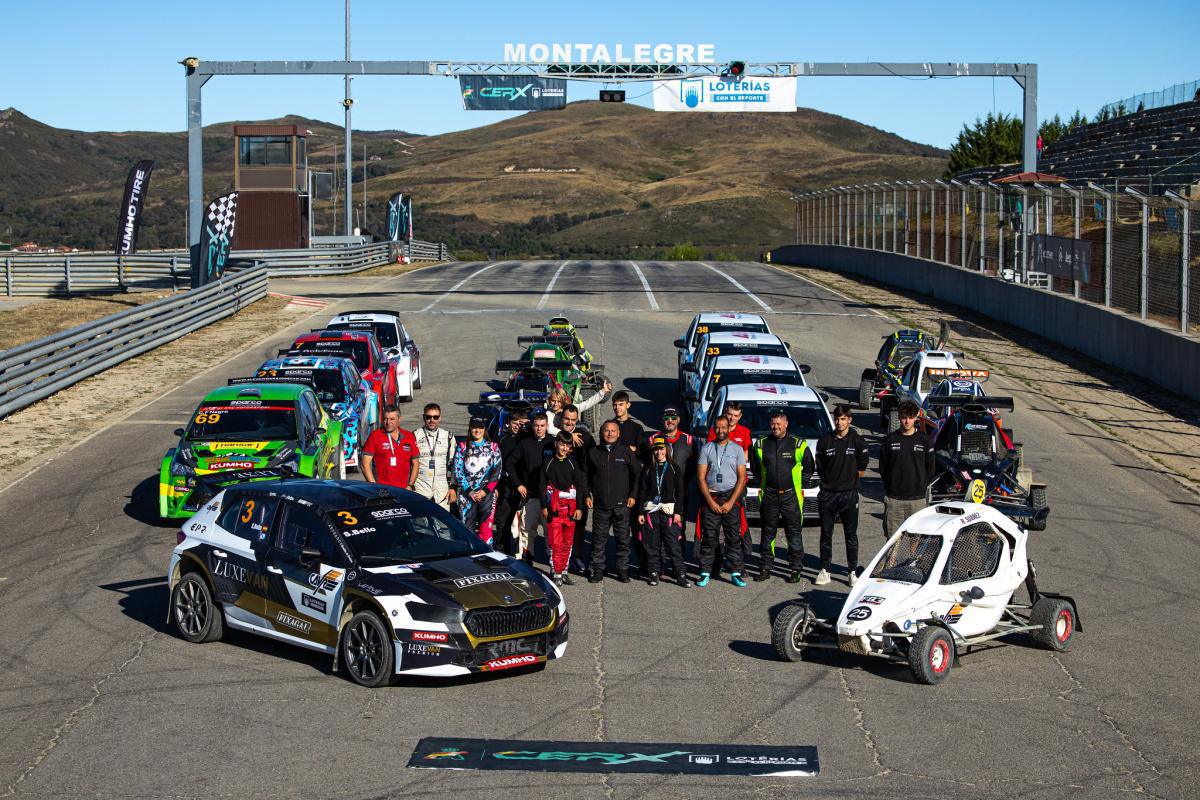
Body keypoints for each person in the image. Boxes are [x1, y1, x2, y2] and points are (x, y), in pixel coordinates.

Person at [751, 408, 815, 584]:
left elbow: (810, 467)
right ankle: (765, 567)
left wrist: (804, 481)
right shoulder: (761, 444)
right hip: (769, 495)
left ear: (786, 424)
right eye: (773, 423)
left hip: (791, 496)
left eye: (779, 423)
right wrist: (759, 481)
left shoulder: (798, 444)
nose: (775, 426)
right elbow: (755, 468)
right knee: (767, 533)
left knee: (793, 533)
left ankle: (795, 568)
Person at [815, 404, 871, 586]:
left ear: (850, 420)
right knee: (826, 533)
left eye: (843, 419)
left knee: (851, 535)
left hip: (849, 494)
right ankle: (825, 570)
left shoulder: (858, 441)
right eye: (837, 419)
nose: (839, 423)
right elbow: (821, 467)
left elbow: (862, 467)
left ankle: (852, 571)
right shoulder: (825, 441)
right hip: (828, 494)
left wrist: (848, 479)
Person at [695, 416, 748, 587]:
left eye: (724, 427)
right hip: (712, 497)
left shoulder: (737, 449)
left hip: (730, 498)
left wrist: (731, 502)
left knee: (733, 537)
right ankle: (705, 572)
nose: (721, 431)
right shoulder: (707, 448)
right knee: (710, 537)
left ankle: (735, 572)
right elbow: (701, 478)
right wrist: (710, 502)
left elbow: (741, 478)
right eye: (717, 428)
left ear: (728, 428)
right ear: (714, 429)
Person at [586, 420, 640, 582]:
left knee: (623, 540)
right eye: (606, 430)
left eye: (613, 431)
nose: (610, 433)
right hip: (601, 506)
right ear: (602, 433)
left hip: (622, 506)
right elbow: (584, 476)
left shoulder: (625, 452)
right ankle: (598, 569)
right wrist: (586, 495)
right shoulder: (593, 453)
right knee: (598, 541)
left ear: (618, 433)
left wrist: (633, 495)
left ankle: (622, 570)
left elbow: (637, 474)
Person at [636, 434, 689, 587]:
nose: (659, 453)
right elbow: (642, 492)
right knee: (652, 545)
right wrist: (640, 512)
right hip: (651, 512)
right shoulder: (648, 469)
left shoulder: (674, 468)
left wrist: (678, 512)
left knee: (673, 545)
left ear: (667, 449)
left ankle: (680, 574)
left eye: (661, 449)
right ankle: (654, 572)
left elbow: (680, 492)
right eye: (656, 450)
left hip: (669, 512)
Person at [880, 400, 936, 539]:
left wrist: (921, 485)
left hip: (917, 499)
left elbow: (931, 468)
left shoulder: (925, 440)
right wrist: (892, 487)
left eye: (910, 418)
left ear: (916, 417)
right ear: (899, 417)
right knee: (892, 540)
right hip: (894, 499)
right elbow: (883, 468)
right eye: (904, 417)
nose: (907, 421)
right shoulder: (889, 440)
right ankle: (891, 562)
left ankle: (913, 561)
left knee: (916, 539)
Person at [506, 412, 555, 564]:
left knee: (551, 533)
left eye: (542, 426)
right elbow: (509, 464)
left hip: (549, 498)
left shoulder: (553, 443)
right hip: (531, 497)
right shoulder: (525, 444)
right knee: (527, 532)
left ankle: (556, 567)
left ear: (547, 426)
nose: (539, 429)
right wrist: (518, 484)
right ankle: (527, 563)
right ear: (532, 426)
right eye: (536, 426)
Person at [540, 432, 587, 585]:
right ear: (556, 444)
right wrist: (544, 506)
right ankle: (556, 572)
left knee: (568, 542)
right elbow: (541, 486)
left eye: (567, 445)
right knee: (556, 543)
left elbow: (579, 486)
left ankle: (564, 571)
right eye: (562, 444)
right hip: (554, 509)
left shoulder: (573, 463)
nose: (564, 448)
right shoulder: (547, 462)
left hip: (570, 510)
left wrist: (580, 507)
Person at [655, 407, 697, 573]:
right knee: (658, 530)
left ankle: (678, 564)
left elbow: (694, 466)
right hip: (658, 495)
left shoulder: (688, 440)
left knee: (678, 528)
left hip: (679, 494)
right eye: (667, 417)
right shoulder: (653, 438)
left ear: (679, 420)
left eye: (673, 417)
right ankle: (661, 565)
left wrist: (682, 484)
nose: (670, 420)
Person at [453, 417, 503, 546]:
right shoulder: (462, 447)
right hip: (466, 495)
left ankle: (487, 560)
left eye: (480, 427)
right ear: (470, 428)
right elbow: (458, 471)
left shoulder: (493, 447)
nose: (477, 430)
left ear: (484, 429)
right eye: (474, 427)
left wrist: (485, 491)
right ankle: (468, 562)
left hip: (486, 495)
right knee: (466, 531)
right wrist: (469, 491)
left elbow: (497, 471)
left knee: (486, 530)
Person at [560, 404, 597, 572]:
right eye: (566, 419)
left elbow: (594, 464)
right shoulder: (553, 435)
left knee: (579, 525)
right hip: (558, 490)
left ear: (577, 420)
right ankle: (560, 558)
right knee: (559, 525)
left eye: (573, 420)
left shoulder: (586, 438)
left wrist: (588, 492)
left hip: (579, 490)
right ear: (561, 418)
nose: (569, 422)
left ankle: (577, 556)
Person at [492, 410, 528, 556]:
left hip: (523, 487)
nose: (517, 427)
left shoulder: (527, 440)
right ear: (509, 423)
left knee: (523, 525)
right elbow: (494, 464)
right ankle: (502, 550)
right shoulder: (501, 439)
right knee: (503, 522)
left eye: (521, 424)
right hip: (505, 485)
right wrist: (495, 486)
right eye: (515, 423)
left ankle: (522, 554)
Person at [360, 405, 419, 489]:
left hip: (404, 490)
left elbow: (416, 463)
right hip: (382, 490)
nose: (388, 422)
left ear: (399, 419)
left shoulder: (408, 436)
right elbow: (365, 463)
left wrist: (410, 485)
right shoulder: (375, 436)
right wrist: (374, 486)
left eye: (392, 419)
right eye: (385, 419)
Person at [412, 403, 457, 510]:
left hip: (442, 489)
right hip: (420, 487)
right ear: (423, 417)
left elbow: (454, 465)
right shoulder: (414, 435)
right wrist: (411, 485)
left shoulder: (448, 436)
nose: (432, 420)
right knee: (421, 523)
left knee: (443, 524)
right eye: (428, 417)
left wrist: (453, 488)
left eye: (435, 417)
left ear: (440, 418)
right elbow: (409, 464)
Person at [545, 381, 611, 436]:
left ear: (562, 401)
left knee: (584, 427)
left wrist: (603, 391)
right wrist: (569, 435)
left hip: (573, 435)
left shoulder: (568, 409)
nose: (556, 404)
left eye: (559, 401)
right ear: (549, 400)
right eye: (553, 401)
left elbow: (587, 404)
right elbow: (550, 429)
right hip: (559, 440)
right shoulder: (549, 414)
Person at [610, 390, 645, 455]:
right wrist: (630, 448)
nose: (617, 407)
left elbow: (641, 451)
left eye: (621, 404)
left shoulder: (637, 428)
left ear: (628, 405)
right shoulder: (608, 426)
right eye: (615, 405)